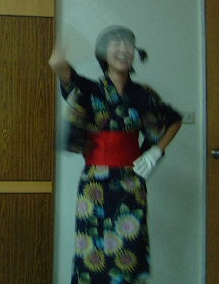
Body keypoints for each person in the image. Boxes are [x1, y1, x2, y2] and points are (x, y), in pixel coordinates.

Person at [49, 26, 181, 284]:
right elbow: (56, 63)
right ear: (103, 53)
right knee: (92, 252)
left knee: (129, 250)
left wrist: (156, 151)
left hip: (131, 184)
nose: (123, 49)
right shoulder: (87, 89)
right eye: (116, 44)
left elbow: (173, 120)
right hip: (94, 185)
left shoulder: (144, 95)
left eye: (128, 44)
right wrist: (70, 39)